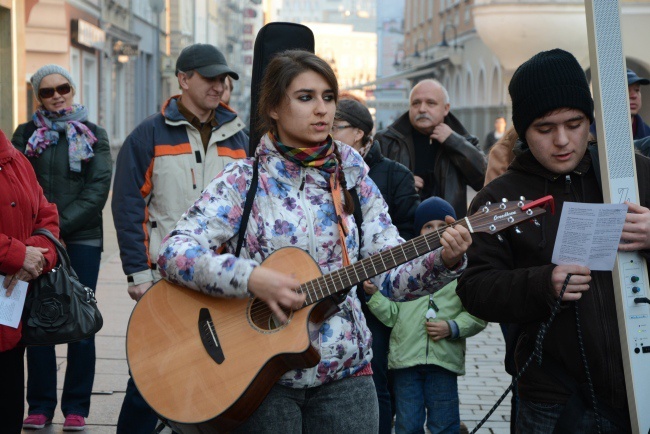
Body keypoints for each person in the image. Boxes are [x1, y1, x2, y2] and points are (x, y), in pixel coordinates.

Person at [157, 49, 472, 433]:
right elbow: (174, 252)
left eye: (328, 97)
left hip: (347, 373)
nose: (322, 110)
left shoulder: (356, 178)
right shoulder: (244, 180)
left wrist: (444, 260)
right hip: (261, 375)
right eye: (305, 97)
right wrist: (250, 278)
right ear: (273, 106)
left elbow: (393, 278)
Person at [457, 48, 650, 433]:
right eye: (545, 129)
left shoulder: (635, 174)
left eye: (575, 123)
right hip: (552, 400)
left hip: (641, 386)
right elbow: (475, 289)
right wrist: (542, 283)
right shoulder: (499, 197)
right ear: (523, 130)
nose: (562, 140)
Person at [111, 43, 248, 434]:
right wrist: (138, 273)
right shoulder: (148, 135)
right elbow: (128, 207)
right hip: (164, 278)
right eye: (209, 78)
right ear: (184, 79)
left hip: (225, 279)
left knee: (216, 372)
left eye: (224, 79)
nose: (219, 86)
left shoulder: (241, 138)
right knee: (152, 370)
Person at [11, 64, 112, 431]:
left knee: (79, 318)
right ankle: (39, 404)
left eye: (62, 88)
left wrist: (54, 230)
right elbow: (16, 189)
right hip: (36, 242)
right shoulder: (23, 135)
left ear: (72, 89)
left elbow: (98, 189)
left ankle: (77, 407)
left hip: (81, 239)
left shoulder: (94, 133)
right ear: (38, 96)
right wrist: (42, 236)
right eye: (47, 91)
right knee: (38, 319)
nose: (56, 96)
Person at [332, 98, 420, 434]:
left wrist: (372, 269)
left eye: (337, 126)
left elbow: (406, 231)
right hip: (329, 298)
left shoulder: (393, 175)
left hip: (376, 293)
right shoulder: (321, 169)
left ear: (360, 134)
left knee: (377, 376)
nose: (328, 130)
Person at [363, 196, 486, 434]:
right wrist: (374, 295)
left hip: (443, 362)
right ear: (417, 233)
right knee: (407, 424)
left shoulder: (459, 272)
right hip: (406, 362)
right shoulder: (406, 274)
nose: (435, 232)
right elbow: (391, 315)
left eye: (442, 227)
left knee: (445, 423)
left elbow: (477, 316)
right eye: (428, 226)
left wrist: (452, 327)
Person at [0, 128, 59, 434]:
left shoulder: (16, 160)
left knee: (9, 405)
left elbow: (48, 218)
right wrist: (16, 254)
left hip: (11, 311)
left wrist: (36, 258)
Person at [375, 78, 486, 218]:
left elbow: (483, 180)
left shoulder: (465, 140)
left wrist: (454, 141)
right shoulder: (386, 140)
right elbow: (367, 187)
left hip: (448, 228)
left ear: (446, 108)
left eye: (430, 103)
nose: (422, 109)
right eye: (416, 103)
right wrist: (400, 184)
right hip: (401, 230)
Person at [591, 68, 650, 140]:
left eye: (637, 90)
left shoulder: (648, 135)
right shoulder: (589, 134)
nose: (634, 96)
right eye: (625, 90)